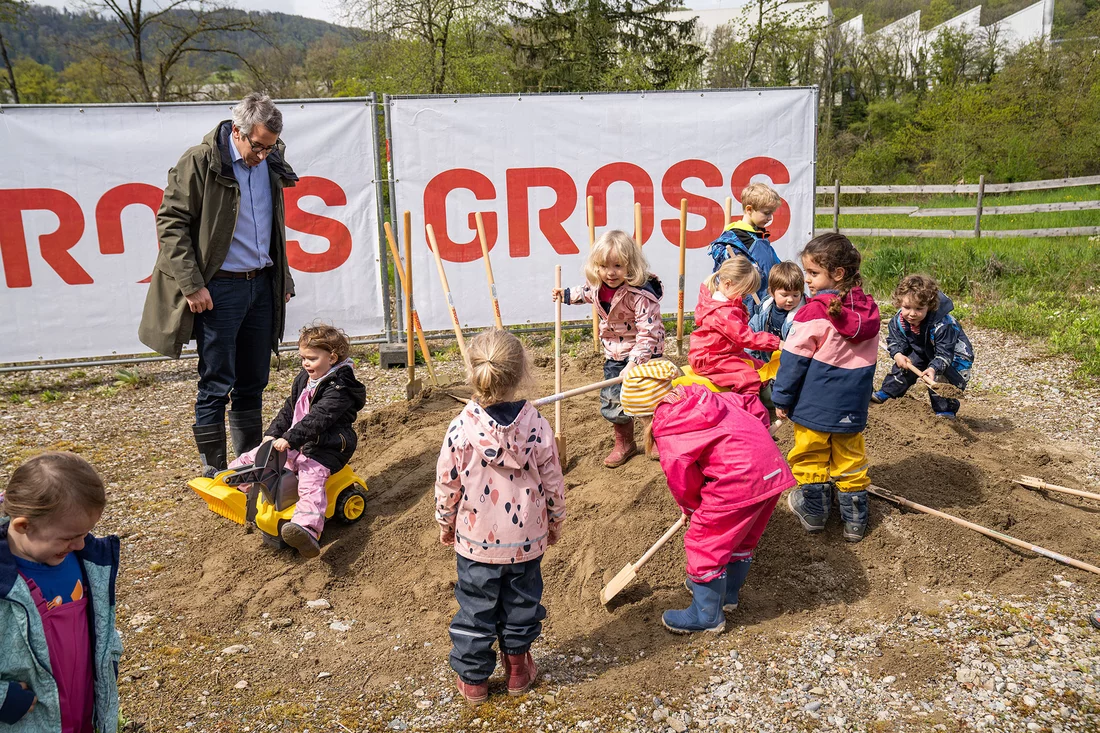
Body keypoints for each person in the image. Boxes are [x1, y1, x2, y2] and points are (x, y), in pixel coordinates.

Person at [138, 92, 300, 476]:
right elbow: (171, 223)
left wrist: (283, 278)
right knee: (216, 381)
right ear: (238, 131)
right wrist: (191, 284)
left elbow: (273, 228)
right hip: (218, 289)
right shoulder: (199, 160)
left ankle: (245, 466)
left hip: (261, 285)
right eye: (258, 146)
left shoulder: (270, 161)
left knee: (254, 380)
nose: (263, 155)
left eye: (270, 147)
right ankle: (213, 470)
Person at [434, 329, 566, 704]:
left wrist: (446, 523)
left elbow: (448, 485)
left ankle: (474, 681)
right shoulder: (536, 424)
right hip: (527, 538)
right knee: (522, 604)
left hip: (476, 541)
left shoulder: (461, 429)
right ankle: (518, 671)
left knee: (476, 609)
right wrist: (556, 520)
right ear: (520, 371)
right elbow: (554, 480)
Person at [620, 360, 795, 634]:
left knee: (704, 541)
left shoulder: (668, 426)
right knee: (741, 536)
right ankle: (726, 596)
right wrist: (759, 428)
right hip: (771, 470)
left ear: (645, 412)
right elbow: (750, 403)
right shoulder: (702, 394)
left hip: (738, 481)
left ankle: (706, 616)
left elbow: (682, 479)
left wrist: (691, 509)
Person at [0, 452, 123, 732]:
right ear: (23, 526)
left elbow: (101, 625)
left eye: (86, 533)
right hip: (25, 719)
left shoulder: (84, 561)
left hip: (83, 709)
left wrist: (109, 657)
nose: (81, 544)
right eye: (69, 537)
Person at [772, 233, 881, 543]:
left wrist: (782, 396)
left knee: (810, 453)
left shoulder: (813, 312)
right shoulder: (869, 311)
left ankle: (815, 512)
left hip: (813, 404)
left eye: (813, 273)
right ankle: (855, 520)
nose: (807, 280)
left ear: (838, 274)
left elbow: (793, 362)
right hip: (852, 403)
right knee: (849, 457)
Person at [228, 324, 365, 559]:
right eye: (303, 358)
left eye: (311, 358)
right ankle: (231, 479)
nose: (305, 363)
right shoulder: (305, 378)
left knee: (310, 479)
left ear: (332, 358)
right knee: (259, 454)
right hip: (298, 438)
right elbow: (289, 409)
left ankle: (307, 529)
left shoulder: (340, 388)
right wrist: (274, 433)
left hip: (328, 446)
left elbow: (317, 419)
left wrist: (289, 439)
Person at [552, 230, 665, 467]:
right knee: (613, 398)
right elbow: (584, 293)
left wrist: (635, 362)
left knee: (647, 396)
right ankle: (624, 442)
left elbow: (649, 332)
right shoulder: (597, 286)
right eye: (603, 266)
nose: (610, 273)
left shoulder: (641, 294)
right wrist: (565, 295)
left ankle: (654, 438)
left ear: (630, 266)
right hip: (614, 351)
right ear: (596, 267)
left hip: (645, 353)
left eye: (617, 266)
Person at [872, 274, 974, 419]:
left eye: (919, 308)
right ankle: (888, 392)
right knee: (906, 366)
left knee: (939, 380)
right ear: (899, 303)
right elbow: (895, 340)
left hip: (952, 356)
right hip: (922, 350)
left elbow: (945, 354)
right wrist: (898, 354)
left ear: (930, 307)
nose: (912, 314)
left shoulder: (943, 325)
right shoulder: (898, 321)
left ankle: (945, 410)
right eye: (907, 307)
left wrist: (933, 368)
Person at [689, 257, 780, 398]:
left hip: (724, 353)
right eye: (743, 293)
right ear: (727, 284)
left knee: (760, 366)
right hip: (711, 359)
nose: (744, 297)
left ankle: (767, 399)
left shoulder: (724, 304)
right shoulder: (722, 312)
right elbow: (744, 336)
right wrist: (776, 342)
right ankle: (751, 411)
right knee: (749, 378)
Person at [707, 183, 784, 318]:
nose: (770, 218)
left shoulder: (758, 235)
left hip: (765, 300)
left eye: (771, 213)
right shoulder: (735, 238)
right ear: (749, 209)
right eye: (766, 213)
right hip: (747, 304)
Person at [748, 261, 806, 361]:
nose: (790, 299)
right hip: (766, 362)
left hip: (789, 364)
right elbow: (752, 333)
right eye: (784, 295)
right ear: (771, 292)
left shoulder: (804, 315)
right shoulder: (764, 310)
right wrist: (750, 359)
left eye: (795, 295)